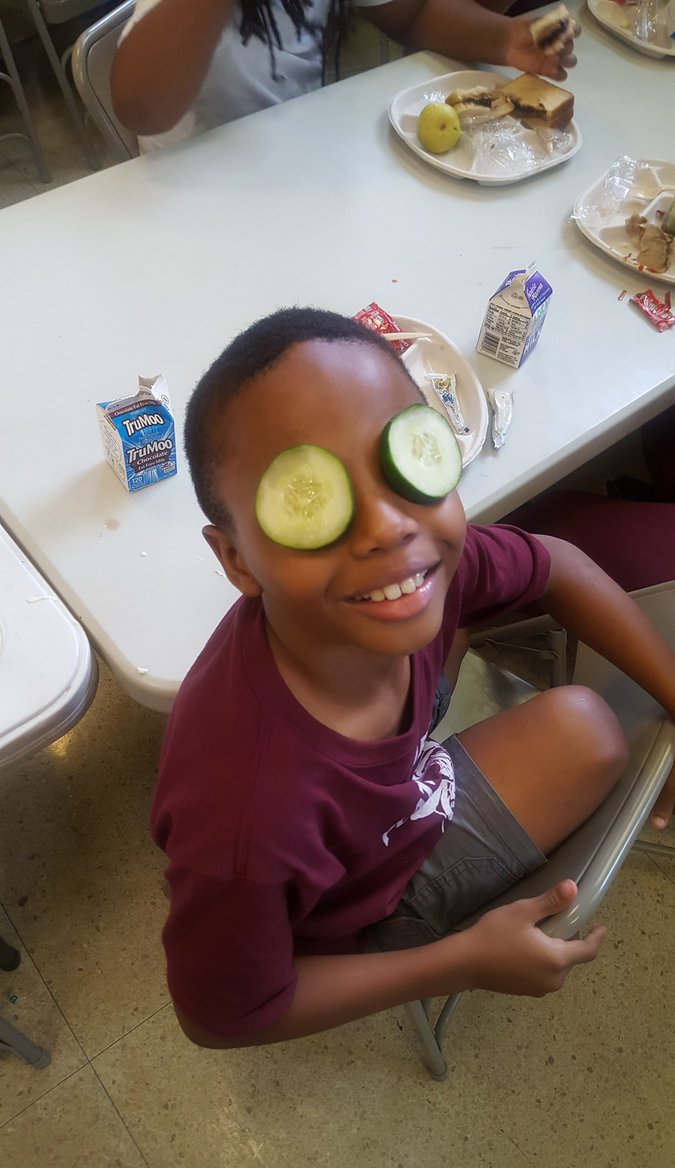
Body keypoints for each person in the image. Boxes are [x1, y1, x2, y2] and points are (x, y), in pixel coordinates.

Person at [152, 307, 675, 1049]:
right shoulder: (248, 815)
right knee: (585, 731)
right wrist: (458, 961)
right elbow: (224, 1015)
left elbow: (553, 561)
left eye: (406, 462)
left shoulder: (422, 572)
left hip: (392, 800)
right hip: (354, 910)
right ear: (236, 561)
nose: (388, 528)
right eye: (311, 502)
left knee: (581, 723)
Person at [111, 0, 579, 152]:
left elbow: (412, 15)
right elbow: (142, 107)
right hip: (200, 190)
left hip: (308, 162)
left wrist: (504, 38)